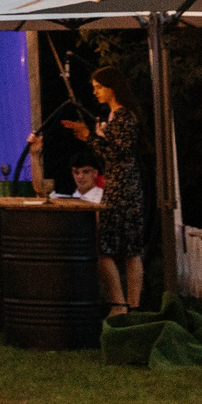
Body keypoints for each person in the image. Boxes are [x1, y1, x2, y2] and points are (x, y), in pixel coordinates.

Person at [64, 64, 146, 317]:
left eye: (99, 87)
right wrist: (91, 136)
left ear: (113, 88)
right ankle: (128, 304)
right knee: (124, 248)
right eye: (94, 88)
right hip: (119, 184)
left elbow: (117, 152)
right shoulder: (114, 117)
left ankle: (122, 304)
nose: (96, 92)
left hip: (123, 188)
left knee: (112, 248)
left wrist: (90, 136)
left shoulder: (124, 117)